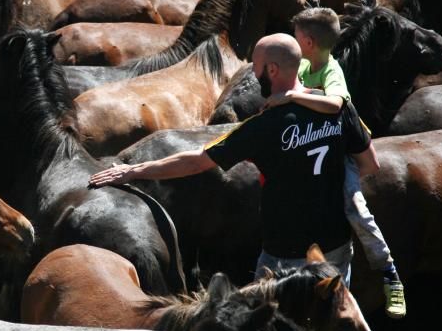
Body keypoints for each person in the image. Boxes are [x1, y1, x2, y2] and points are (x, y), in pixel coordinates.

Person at [88, 33, 378, 288]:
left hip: (284, 256)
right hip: (337, 247)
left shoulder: (262, 127)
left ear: (273, 70)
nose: (252, 72)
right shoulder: (340, 109)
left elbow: (196, 161)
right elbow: (369, 165)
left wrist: (134, 170)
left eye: (256, 66)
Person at [263, 8, 406, 318]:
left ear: (310, 43)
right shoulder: (300, 65)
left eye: (297, 38)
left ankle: (388, 272)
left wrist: (292, 98)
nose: (293, 42)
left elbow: (336, 104)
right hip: (312, 144)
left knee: (355, 208)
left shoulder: (331, 70)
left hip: (342, 149)